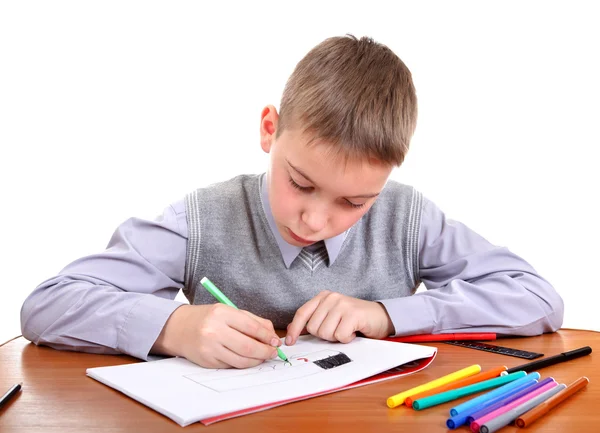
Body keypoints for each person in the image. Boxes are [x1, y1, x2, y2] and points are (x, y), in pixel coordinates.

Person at [20, 35, 563, 370]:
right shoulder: (202, 219)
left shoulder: (407, 216)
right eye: (300, 183)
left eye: (354, 201)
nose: (316, 219)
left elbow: (537, 298)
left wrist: (387, 315)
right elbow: (46, 305)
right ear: (269, 130)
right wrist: (173, 328)